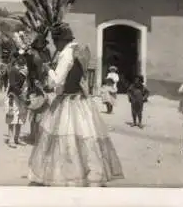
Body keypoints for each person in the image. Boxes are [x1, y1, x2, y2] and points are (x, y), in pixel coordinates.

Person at [28, 23, 124, 187]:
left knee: (64, 138)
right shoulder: (81, 49)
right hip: (81, 101)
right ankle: (86, 173)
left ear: (60, 40)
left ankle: (67, 174)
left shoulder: (66, 53)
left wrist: (47, 68)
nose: (55, 45)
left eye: (55, 41)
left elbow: (56, 81)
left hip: (67, 102)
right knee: (85, 137)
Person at [4, 51, 29, 148]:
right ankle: (10, 139)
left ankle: (17, 138)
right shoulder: (13, 70)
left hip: (22, 96)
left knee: (20, 118)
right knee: (12, 117)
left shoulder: (26, 70)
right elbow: (13, 85)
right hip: (13, 96)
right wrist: (21, 95)